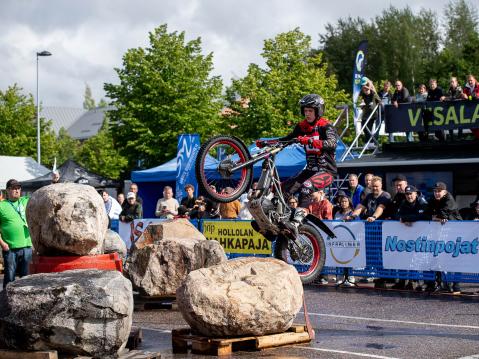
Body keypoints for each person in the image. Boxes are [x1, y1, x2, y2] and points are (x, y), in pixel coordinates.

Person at [257, 94, 337, 211]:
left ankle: (300, 215)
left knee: (307, 186)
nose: (307, 114)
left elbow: (332, 144)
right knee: (284, 187)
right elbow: (286, 139)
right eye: (305, 111)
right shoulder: (302, 126)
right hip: (309, 171)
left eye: (310, 111)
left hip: (327, 172)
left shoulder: (326, 126)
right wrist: (266, 143)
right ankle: (276, 214)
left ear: (318, 111)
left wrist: (309, 140)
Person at [393, 185, 430, 291]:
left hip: (422, 236)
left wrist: (406, 219)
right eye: (407, 194)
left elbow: (423, 216)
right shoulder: (404, 202)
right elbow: (396, 215)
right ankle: (403, 280)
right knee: (403, 257)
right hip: (407, 237)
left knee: (419, 259)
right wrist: (405, 219)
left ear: (416, 193)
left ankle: (419, 282)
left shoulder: (422, 202)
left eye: (411, 194)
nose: (409, 196)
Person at [427, 181, 462, 294]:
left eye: (439, 191)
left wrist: (436, 217)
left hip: (455, 233)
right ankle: (441, 284)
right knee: (438, 257)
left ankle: (456, 285)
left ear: (445, 191)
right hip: (440, 233)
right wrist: (435, 217)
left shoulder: (449, 199)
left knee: (454, 258)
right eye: (435, 191)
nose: (436, 193)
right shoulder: (432, 199)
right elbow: (427, 213)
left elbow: (443, 213)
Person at [0, 179, 33, 288]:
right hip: (10, 248)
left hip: (27, 246)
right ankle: (5, 302)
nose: (17, 190)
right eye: (14, 188)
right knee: (10, 278)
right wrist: (3, 244)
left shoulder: (25, 201)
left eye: (18, 188)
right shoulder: (1, 206)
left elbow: (42, 197)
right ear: (7, 190)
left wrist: (54, 181)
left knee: (27, 278)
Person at [357, 78, 381, 145]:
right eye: (364, 90)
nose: (366, 91)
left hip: (372, 115)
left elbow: (380, 101)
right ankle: (369, 142)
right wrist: (362, 105)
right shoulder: (363, 95)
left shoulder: (373, 94)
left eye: (367, 90)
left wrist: (378, 103)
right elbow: (360, 103)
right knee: (363, 128)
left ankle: (370, 142)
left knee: (369, 128)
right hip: (365, 114)